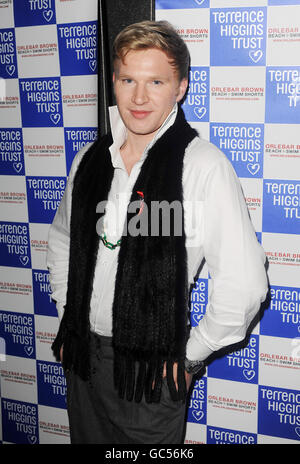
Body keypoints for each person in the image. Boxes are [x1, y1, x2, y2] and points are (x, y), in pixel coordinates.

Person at [47, 20, 268, 444]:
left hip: (150, 373)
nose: (140, 97)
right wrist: (67, 315)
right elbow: (61, 244)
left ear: (180, 87)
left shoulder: (202, 166)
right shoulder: (89, 160)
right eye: (128, 79)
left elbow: (244, 285)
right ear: (114, 81)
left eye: (156, 81)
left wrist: (189, 358)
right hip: (82, 362)